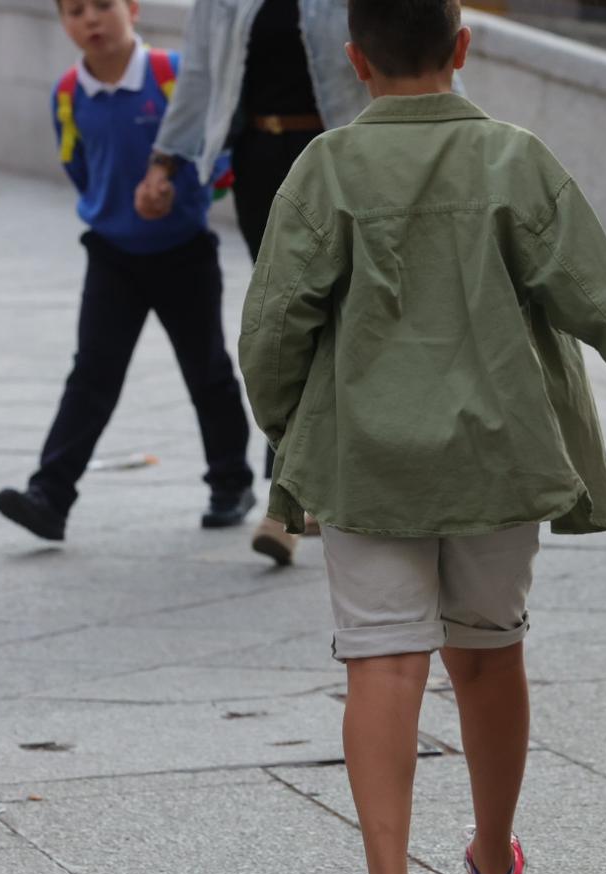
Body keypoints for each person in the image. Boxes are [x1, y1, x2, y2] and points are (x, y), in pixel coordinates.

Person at [238, 0, 606, 874]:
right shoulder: (514, 159)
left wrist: (293, 428)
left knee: (382, 664)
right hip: (497, 454)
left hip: (367, 460)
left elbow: (274, 327)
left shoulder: (323, 169)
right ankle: (492, 864)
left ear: (354, 59)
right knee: (489, 657)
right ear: (461, 47)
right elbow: (587, 291)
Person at [0, 0, 255, 543]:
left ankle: (231, 482)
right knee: (92, 374)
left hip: (184, 250)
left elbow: (217, 153)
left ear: (133, 9)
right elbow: (78, 165)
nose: (89, 20)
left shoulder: (172, 75)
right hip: (112, 254)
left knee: (205, 369)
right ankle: (50, 495)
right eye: (73, 11)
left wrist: (179, 190)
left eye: (102, 6)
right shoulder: (68, 94)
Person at [134, 0, 370, 565]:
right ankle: (291, 496)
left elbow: (401, 54)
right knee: (287, 324)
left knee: (340, 324)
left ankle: (302, 493)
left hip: (342, 159)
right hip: (263, 165)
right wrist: (164, 162)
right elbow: (198, 75)